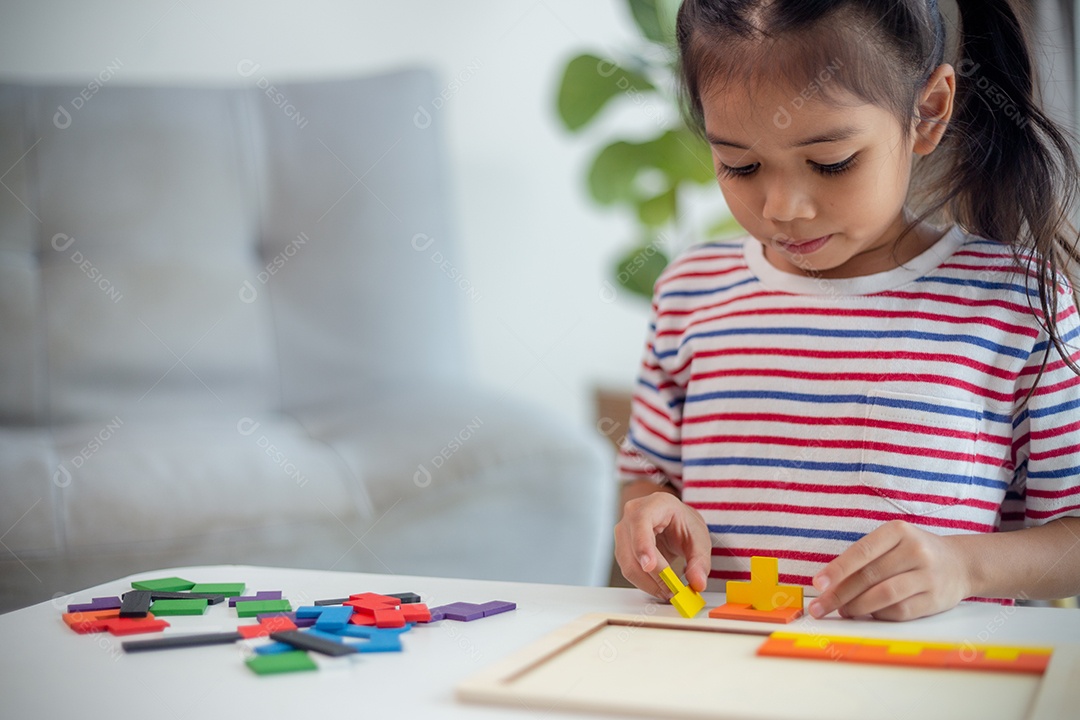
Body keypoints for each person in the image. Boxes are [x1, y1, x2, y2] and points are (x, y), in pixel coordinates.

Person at [613, 0, 1080, 621]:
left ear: (928, 114)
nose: (783, 208)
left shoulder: (1016, 303)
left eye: (831, 163)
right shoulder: (692, 291)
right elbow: (646, 478)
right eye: (740, 164)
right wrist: (648, 517)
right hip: (721, 677)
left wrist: (966, 566)